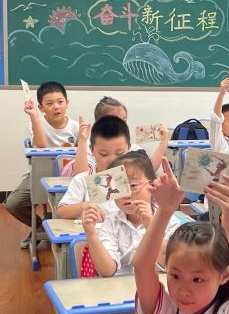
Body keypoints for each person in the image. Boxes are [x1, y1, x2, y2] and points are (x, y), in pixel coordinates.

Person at [134, 158, 229, 314]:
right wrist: (164, 210)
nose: (184, 290)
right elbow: (142, 267)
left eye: (197, 279)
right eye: (175, 276)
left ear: (224, 275)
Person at [81, 150, 181, 277]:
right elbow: (107, 271)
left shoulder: (169, 221)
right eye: (119, 188)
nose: (127, 194)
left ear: (152, 185)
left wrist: (151, 226)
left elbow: (171, 264)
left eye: (133, 186)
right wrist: (91, 234)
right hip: (119, 287)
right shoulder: (111, 223)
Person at [6, 81, 79, 249]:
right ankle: (40, 227)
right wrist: (33, 116)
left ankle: (70, 234)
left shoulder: (75, 127)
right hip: (40, 176)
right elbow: (41, 145)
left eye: (60, 102)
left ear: (67, 103)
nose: (56, 107)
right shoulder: (36, 123)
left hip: (69, 178)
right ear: (41, 107)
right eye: (50, 103)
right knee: (13, 203)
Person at [67, 96, 169, 176]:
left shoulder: (132, 148)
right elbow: (81, 175)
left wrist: (164, 142)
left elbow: (149, 170)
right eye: (104, 154)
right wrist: (82, 140)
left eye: (124, 120)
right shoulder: (89, 149)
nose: (121, 125)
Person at [56, 116, 130, 219]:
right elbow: (61, 211)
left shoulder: (134, 179)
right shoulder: (82, 179)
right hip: (91, 228)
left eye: (120, 153)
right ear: (92, 150)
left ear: (129, 149)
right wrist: (84, 206)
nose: (112, 160)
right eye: (104, 154)